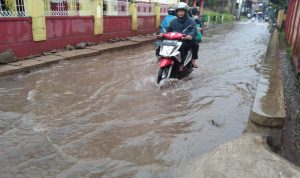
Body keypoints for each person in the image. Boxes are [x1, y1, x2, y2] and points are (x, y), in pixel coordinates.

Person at [165, 2, 197, 71]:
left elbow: (194, 29)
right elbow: (168, 29)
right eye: (179, 11)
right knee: (161, 44)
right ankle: (161, 58)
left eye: (182, 11)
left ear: (185, 12)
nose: (180, 13)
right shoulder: (173, 21)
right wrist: (162, 34)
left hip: (185, 40)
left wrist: (190, 35)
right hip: (174, 40)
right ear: (176, 12)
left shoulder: (191, 21)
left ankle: (184, 63)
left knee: (193, 45)